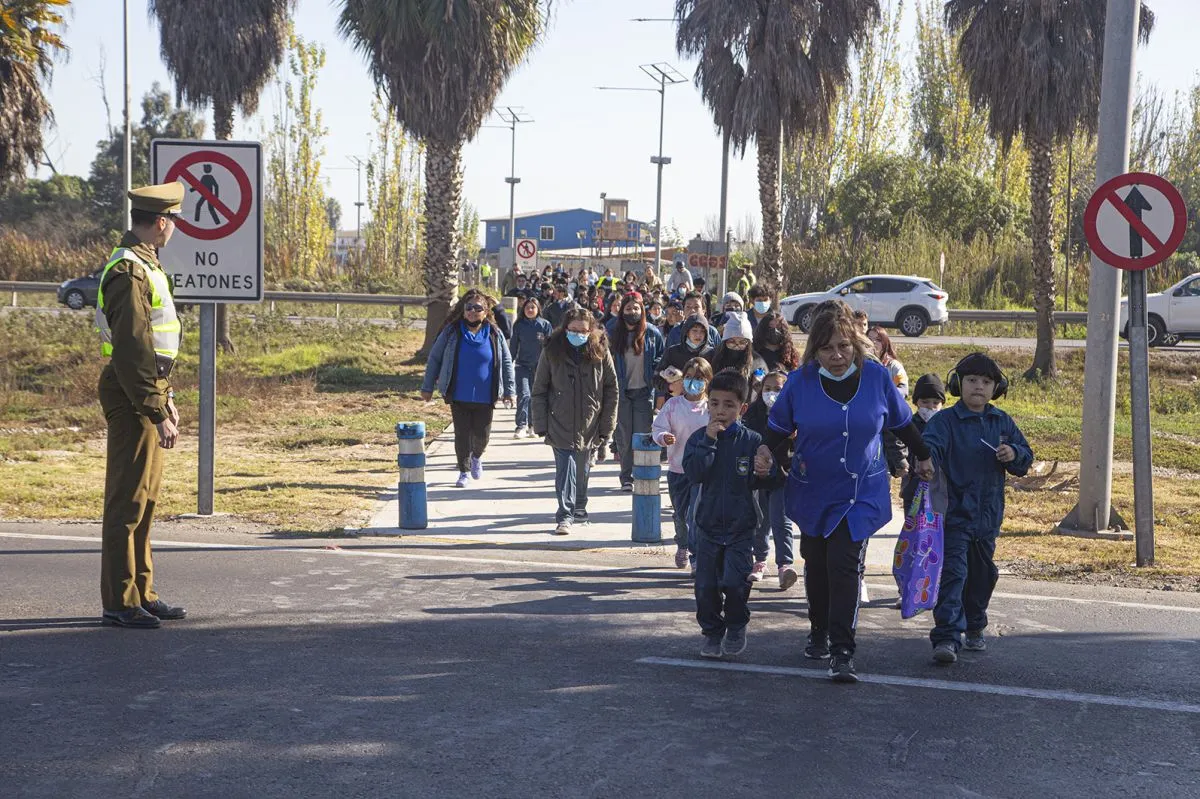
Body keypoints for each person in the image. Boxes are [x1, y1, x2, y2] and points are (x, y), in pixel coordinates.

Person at [760, 300, 933, 683]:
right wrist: (761, 451)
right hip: (812, 488)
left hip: (860, 491)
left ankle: (843, 650)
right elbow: (776, 428)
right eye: (826, 348)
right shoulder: (801, 382)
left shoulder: (876, 377)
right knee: (817, 565)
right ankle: (818, 630)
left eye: (843, 346)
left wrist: (922, 456)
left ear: (855, 343)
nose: (836, 356)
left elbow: (904, 424)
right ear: (814, 351)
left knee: (845, 566)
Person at [95, 182, 188, 629]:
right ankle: (120, 600)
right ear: (162, 223)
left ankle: (142, 593)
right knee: (127, 503)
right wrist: (155, 408)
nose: (173, 231)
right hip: (132, 392)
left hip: (147, 388)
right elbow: (132, 350)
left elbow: (151, 346)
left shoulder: (144, 263)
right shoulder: (128, 269)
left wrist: (165, 399)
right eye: (173, 223)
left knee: (146, 501)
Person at [923, 353, 1033, 664]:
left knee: (984, 574)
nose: (978, 387)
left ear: (996, 388)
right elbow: (930, 447)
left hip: (988, 516)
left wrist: (1014, 453)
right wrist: (926, 460)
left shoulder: (1002, 422)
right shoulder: (945, 422)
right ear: (958, 384)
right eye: (972, 380)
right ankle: (946, 637)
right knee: (955, 574)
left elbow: (1026, 456)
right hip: (955, 514)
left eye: (986, 382)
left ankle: (974, 624)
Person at [684, 370, 775, 659]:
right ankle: (712, 632)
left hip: (740, 527)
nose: (720, 411)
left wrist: (765, 470)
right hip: (707, 527)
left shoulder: (751, 441)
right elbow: (695, 473)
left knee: (735, 583)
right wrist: (709, 442)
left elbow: (764, 481)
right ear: (707, 404)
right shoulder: (699, 438)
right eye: (714, 403)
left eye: (729, 405)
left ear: (742, 408)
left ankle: (736, 624)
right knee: (706, 587)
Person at [532, 308, 619, 535]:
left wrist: (607, 427)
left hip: (590, 423)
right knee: (565, 469)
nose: (578, 334)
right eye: (573, 330)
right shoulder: (552, 351)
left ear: (590, 331)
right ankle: (565, 514)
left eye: (583, 330)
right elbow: (539, 390)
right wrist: (540, 424)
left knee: (583, 469)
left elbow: (611, 390)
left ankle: (580, 505)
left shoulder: (600, 351)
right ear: (565, 328)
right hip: (559, 422)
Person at [421, 291, 517, 488]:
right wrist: (427, 387)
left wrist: (510, 391)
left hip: (486, 394)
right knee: (462, 434)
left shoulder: (494, 333)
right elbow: (435, 358)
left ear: (486, 311)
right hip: (459, 393)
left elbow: (507, 362)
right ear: (463, 311)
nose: (473, 311)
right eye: (469, 308)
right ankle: (463, 471)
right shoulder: (452, 331)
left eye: (478, 308)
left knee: (482, 435)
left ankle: (477, 456)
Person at [651, 357, 712, 570]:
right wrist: (664, 437)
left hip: (702, 472)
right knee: (680, 512)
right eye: (688, 377)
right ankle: (683, 544)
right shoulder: (673, 404)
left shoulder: (711, 407)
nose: (692, 382)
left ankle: (696, 556)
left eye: (698, 378)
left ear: (707, 381)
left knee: (695, 515)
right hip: (677, 469)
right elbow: (658, 428)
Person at [742, 370, 798, 588]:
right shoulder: (753, 414)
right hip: (758, 476)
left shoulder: (794, 415)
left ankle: (784, 565)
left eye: (778, 389)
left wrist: (796, 436)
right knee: (760, 520)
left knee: (780, 520)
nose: (771, 393)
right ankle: (760, 561)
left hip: (783, 476)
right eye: (767, 388)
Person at [606, 293, 665, 492]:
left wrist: (659, 393)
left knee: (642, 434)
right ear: (622, 310)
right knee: (624, 435)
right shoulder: (611, 331)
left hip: (643, 391)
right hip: (621, 391)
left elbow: (660, 361)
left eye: (636, 309)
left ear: (643, 310)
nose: (632, 312)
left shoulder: (652, 333)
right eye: (628, 309)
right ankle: (626, 477)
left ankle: (642, 473)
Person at [898, 373, 945, 512]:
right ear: (916, 402)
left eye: (935, 403)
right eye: (925, 402)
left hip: (940, 489)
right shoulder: (908, 426)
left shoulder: (945, 426)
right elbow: (899, 446)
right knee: (913, 528)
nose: (930, 407)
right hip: (913, 487)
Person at [510, 297, 553, 439]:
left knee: (536, 396)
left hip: (540, 367)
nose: (530, 310)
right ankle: (520, 426)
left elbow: (551, 347)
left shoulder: (545, 325)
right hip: (522, 365)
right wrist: (509, 362)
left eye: (532, 307)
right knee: (524, 394)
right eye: (527, 307)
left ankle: (532, 425)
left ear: (538, 309)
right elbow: (514, 345)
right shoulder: (519, 325)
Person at [656, 314, 716, 409]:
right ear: (687, 332)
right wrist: (670, 387)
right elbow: (656, 378)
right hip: (676, 407)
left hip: (703, 407)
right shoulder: (673, 352)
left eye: (702, 331)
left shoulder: (711, 354)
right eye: (694, 330)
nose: (698, 335)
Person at [711, 313, 767, 393]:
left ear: (748, 344)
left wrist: (758, 385)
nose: (736, 346)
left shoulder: (757, 361)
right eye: (731, 342)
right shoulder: (712, 355)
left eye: (742, 342)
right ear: (724, 342)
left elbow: (763, 390)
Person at [868, 326, 909, 396]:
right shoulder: (859, 364)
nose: (873, 342)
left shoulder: (894, 366)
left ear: (885, 343)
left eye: (878, 340)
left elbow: (903, 390)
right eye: (869, 339)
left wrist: (883, 393)